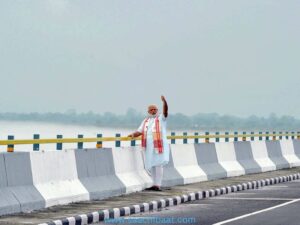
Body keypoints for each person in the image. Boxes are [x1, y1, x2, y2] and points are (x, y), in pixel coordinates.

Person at [128, 95, 170, 191]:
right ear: (148, 111)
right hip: (149, 146)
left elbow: (166, 112)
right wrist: (132, 135)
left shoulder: (161, 119)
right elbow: (140, 131)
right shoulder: (146, 121)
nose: (153, 111)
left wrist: (164, 102)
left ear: (157, 110)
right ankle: (154, 184)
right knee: (152, 165)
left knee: (158, 164)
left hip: (159, 145)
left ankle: (158, 184)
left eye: (155, 109)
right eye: (151, 110)